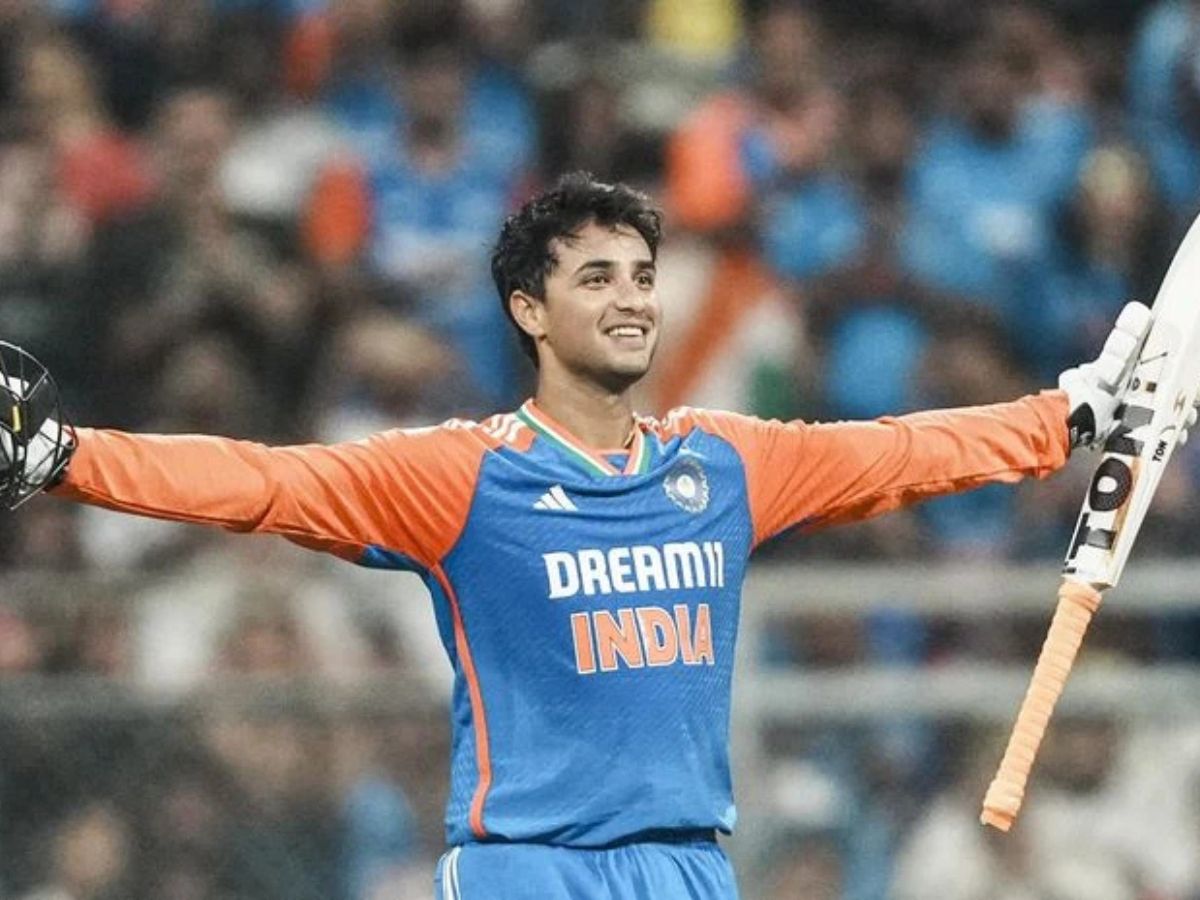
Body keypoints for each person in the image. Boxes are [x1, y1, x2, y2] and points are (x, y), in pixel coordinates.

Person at [0, 173, 1160, 898]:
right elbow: (266, 482)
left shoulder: (724, 462)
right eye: (596, 277)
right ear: (528, 309)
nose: (633, 298)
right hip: (528, 871)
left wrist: (1063, 418)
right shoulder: (461, 475)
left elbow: (900, 453)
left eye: (643, 276)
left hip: (690, 867)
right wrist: (70, 457)